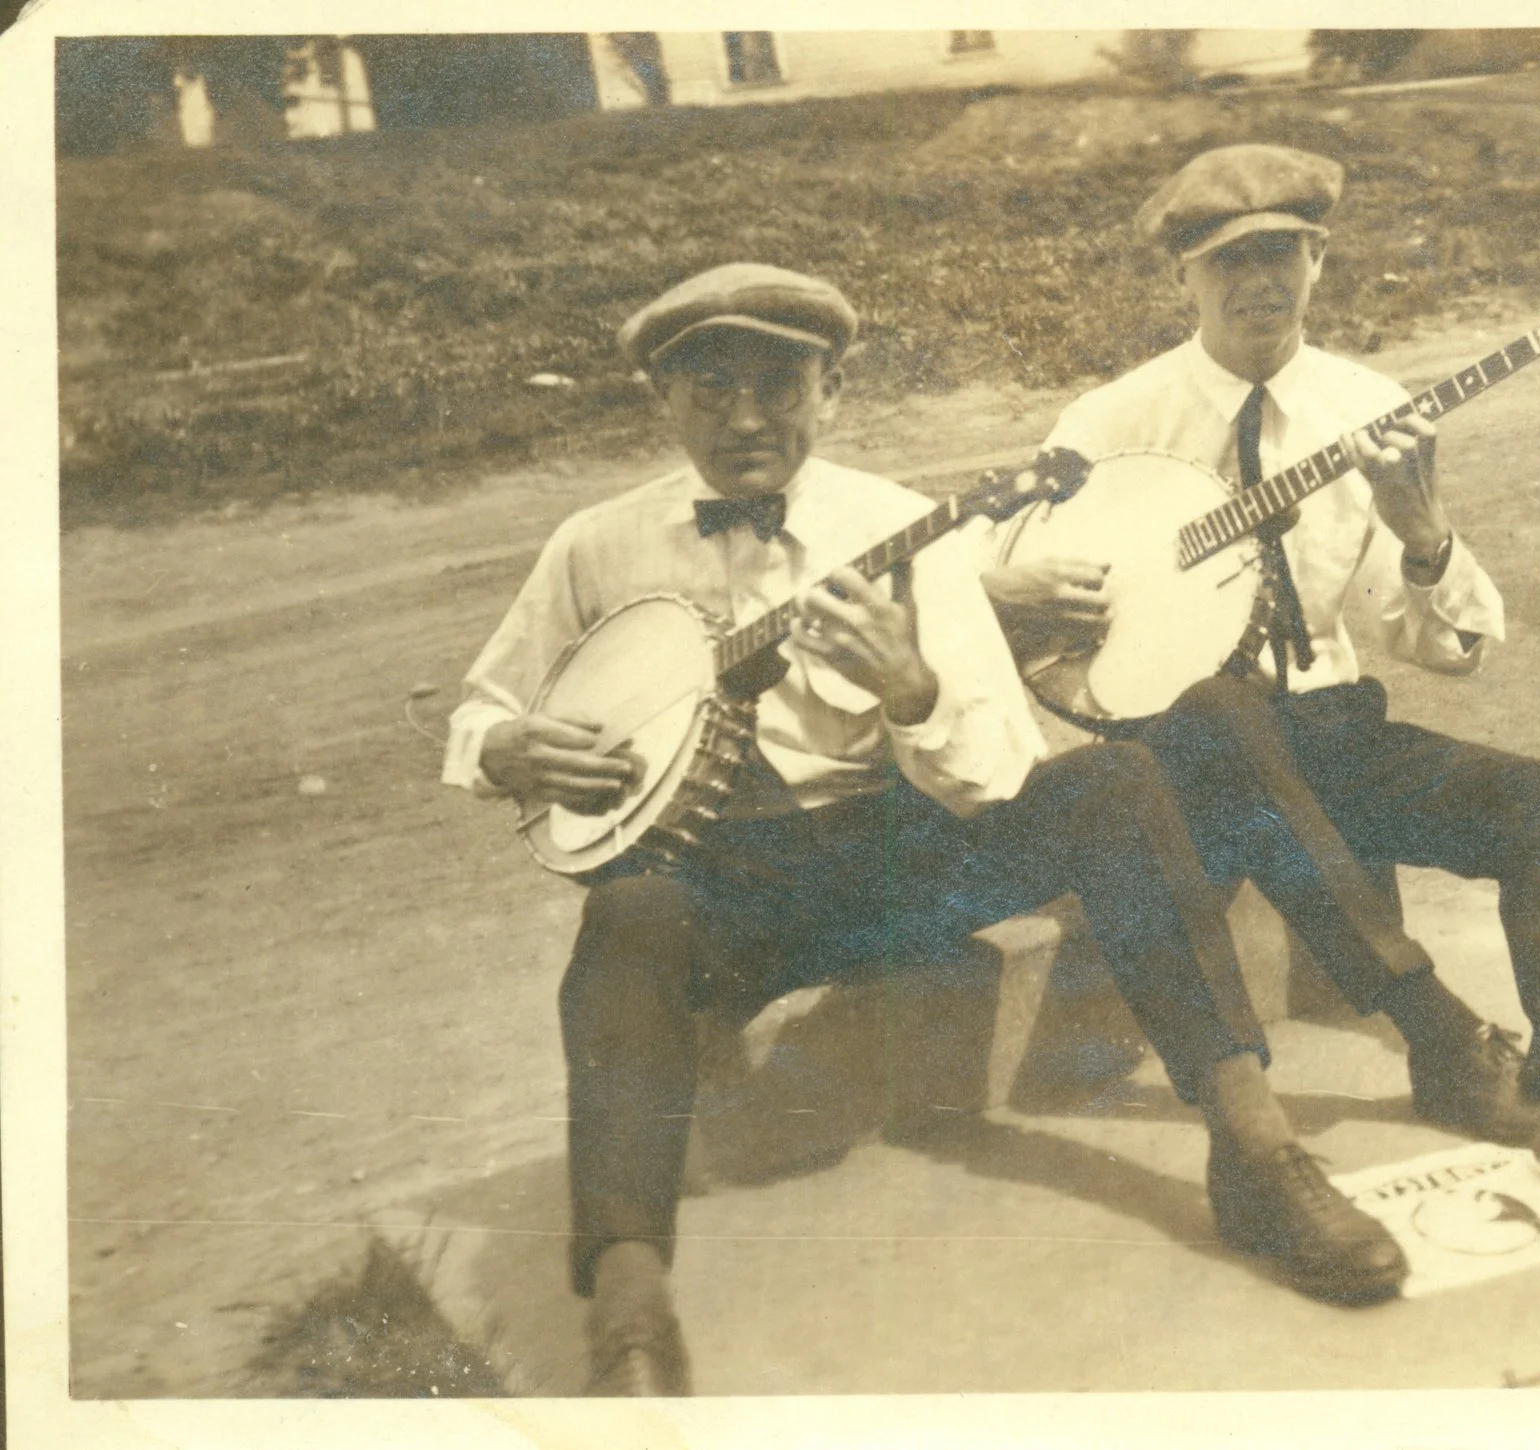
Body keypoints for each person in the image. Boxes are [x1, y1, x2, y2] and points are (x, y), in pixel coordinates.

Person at [442, 263, 1409, 1396]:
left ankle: (1256, 1153)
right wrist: (502, 749)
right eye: (710, 391)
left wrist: (911, 693)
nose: (746, 418)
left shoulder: (899, 527)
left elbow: (996, 770)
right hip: (728, 887)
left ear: (834, 390)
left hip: (900, 859)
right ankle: (628, 1304)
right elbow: (489, 706)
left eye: (779, 386)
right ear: (664, 400)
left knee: (1113, 786)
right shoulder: (594, 547)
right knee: (628, 909)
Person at [984, 146, 1540, 1192]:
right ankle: (1441, 1037)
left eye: (1283, 254)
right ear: (1182, 278)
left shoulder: (1363, 409)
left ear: (1320, 262)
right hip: (1181, 760)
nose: (1260, 283)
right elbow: (995, 580)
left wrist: (1423, 537)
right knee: (1217, 708)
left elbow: (1437, 648)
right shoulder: (1112, 425)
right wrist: (1009, 592)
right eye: (1230, 261)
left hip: (1330, 731)